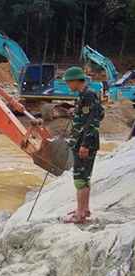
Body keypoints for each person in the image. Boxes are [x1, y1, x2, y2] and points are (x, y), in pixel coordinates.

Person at [63, 67, 105, 224]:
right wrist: (77, 111)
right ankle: (84, 209)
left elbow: (92, 122)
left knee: (80, 179)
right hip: (85, 142)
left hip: (84, 143)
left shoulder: (88, 95)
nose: (68, 85)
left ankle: (79, 214)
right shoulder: (88, 94)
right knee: (86, 177)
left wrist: (85, 145)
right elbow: (100, 113)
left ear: (75, 81)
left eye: (68, 82)